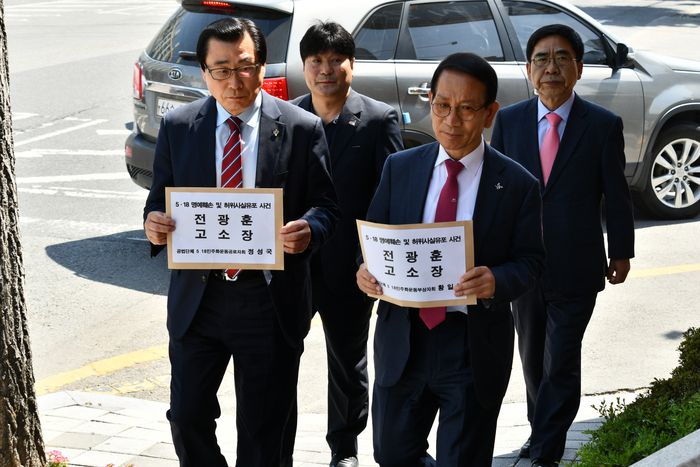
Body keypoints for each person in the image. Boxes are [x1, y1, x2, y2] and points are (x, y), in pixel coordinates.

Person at [143, 17, 338, 467]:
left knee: (265, 430)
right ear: (205, 73)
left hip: (268, 298)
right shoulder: (179, 126)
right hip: (200, 299)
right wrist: (153, 224)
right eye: (222, 69)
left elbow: (328, 207)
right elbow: (158, 200)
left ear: (262, 66)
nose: (235, 81)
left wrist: (309, 229)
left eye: (245, 67)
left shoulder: (301, 127)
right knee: (187, 415)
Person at [356, 52, 545, 467]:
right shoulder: (400, 167)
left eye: (466, 109)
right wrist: (365, 272)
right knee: (391, 453)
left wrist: (496, 280)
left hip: (471, 345)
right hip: (404, 339)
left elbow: (531, 262)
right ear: (430, 101)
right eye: (442, 105)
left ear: (490, 113)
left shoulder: (516, 184)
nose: (451, 120)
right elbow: (371, 241)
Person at [490, 24, 635, 467]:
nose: (550, 67)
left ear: (579, 68)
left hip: (577, 264)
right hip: (523, 267)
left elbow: (616, 193)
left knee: (562, 360)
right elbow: (495, 190)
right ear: (529, 69)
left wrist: (621, 250)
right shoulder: (510, 121)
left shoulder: (602, 125)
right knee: (533, 359)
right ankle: (541, 431)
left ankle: (546, 452)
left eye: (561, 58)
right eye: (541, 58)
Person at [291, 21, 403, 467]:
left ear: (351, 65)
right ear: (304, 66)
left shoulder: (378, 120)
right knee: (278, 356)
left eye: (336, 60)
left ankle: (345, 449)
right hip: (294, 264)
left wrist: (368, 260)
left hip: (351, 268)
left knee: (347, 361)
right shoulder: (289, 117)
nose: (326, 69)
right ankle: (275, 444)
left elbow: (388, 197)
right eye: (316, 60)